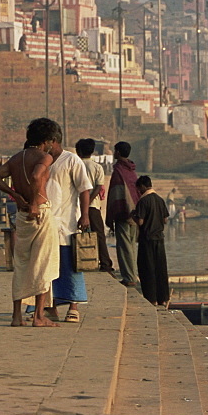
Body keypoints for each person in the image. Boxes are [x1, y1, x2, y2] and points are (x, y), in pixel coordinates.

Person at [0, 118, 58, 327]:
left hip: (21, 214)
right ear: (47, 140)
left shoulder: (17, 158)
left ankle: (17, 316)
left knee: (21, 264)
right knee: (44, 264)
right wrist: (35, 202)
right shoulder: (45, 156)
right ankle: (38, 316)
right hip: (40, 213)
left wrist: (15, 195)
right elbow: (37, 175)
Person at [46, 131, 92, 323]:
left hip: (67, 223)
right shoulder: (42, 161)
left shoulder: (71, 160)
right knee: (48, 267)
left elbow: (84, 189)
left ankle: (73, 306)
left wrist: (85, 215)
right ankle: (51, 306)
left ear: (54, 140)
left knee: (70, 267)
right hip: (46, 224)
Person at [75, 138, 113, 274]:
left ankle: (77, 260)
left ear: (78, 151)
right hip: (93, 206)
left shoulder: (75, 165)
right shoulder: (97, 167)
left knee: (75, 234)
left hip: (76, 206)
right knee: (99, 235)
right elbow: (99, 187)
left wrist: (83, 203)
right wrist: (89, 200)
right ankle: (105, 263)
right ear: (93, 151)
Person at [132, 175, 170, 307]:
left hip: (147, 239)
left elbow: (140, 221)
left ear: (142, 186)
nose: (138, 191)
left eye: (139, 189)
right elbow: (165, 219)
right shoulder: (160, 200)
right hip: (159, 239)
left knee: (147, 269)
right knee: (160, 269)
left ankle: (151, 299)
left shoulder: (143, 201)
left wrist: (133, 216)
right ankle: (163, 299)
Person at [107, 141, 139, 287]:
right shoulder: (132, 171)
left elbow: (116, 194)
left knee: (125, 246)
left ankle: (129, 277)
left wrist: (113, 215)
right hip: (134, 213)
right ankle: (132, 274)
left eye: (115, 151)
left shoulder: (119, 171)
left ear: (118, 152)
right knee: (131, 245)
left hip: (124, 214)